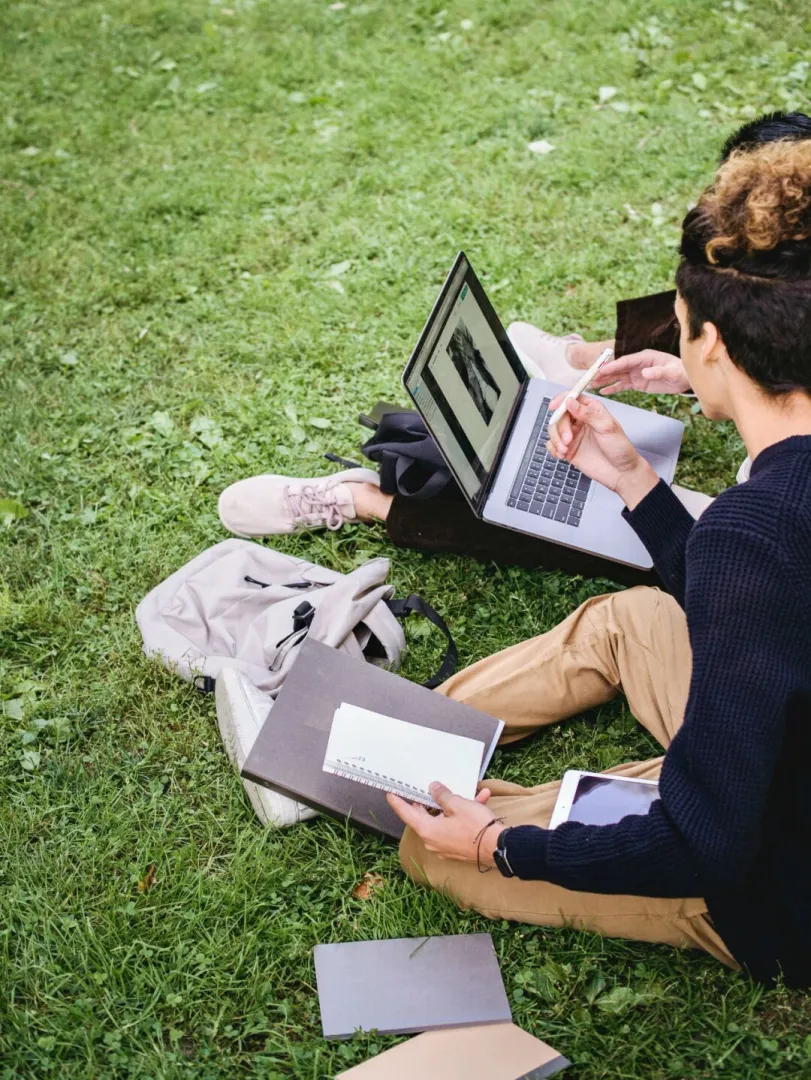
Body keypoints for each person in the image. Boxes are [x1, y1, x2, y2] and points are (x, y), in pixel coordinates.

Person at [382, 138, 811, 987]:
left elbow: (707, 843)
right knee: (635, 619)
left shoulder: (753, 532)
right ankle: (390, 737)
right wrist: (630, 482)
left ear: (712, 347)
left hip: (776, 885)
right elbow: (762, 600)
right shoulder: (763, 527)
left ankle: (419, 791)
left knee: (430, 854)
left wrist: (495, 846)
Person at [217, 113, 811, 587]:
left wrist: (637, 489)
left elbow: (710, 593)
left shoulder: (752, 537)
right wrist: (674, 402)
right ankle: (585, 363)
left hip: (752, 541)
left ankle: (365, 499)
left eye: (686, 329)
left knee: (566, 524)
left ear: (714, 345)